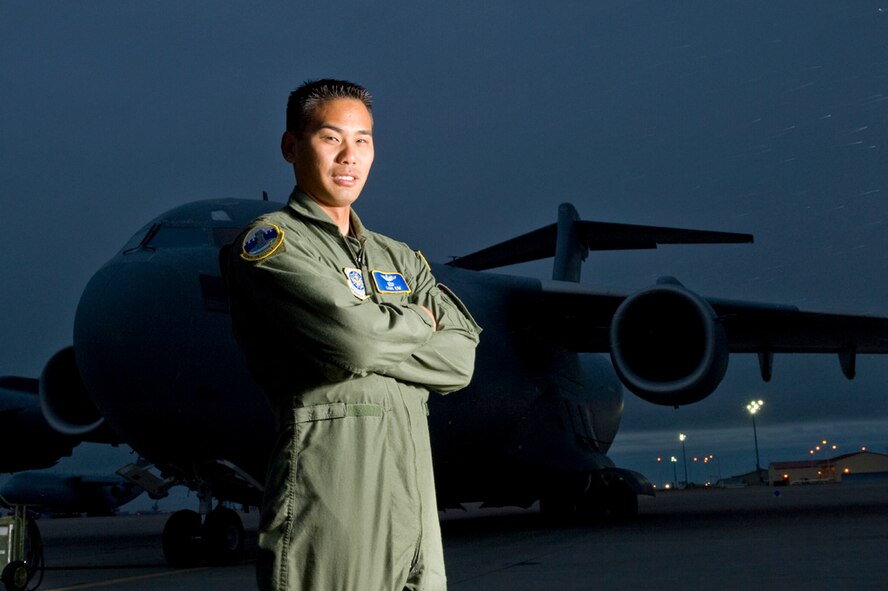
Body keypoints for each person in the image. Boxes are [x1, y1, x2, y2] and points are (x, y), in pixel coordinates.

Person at [226, 79, 481, 591]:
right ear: (291, 147)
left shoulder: (400, 257)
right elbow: (355, 342)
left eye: (363, 139)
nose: (350, 156)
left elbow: (460, 362)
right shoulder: (272, 244)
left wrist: (373, 332)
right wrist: (417, 322)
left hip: (414, 502)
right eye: (330, 137)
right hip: (332, 498)